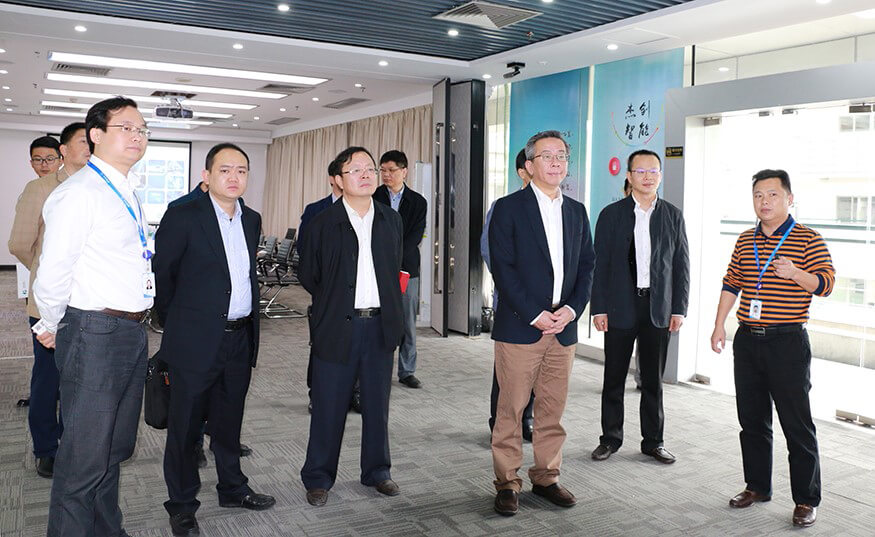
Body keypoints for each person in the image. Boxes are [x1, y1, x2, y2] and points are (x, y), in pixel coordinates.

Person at [33, 97, 151, 537]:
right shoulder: (79, 193)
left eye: (142, 129)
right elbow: (53, 269)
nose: (137, 136)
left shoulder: (126, 188)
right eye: (126, 127)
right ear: (95, 135)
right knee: (84, 456)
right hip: (95, 332)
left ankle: (106, 529)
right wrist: (51, 323)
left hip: (130, 329)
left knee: (113, 448)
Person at [154, 143, 274, 536]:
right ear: (206, 176)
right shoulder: (183, 216)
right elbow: (164, 276)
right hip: (194, 341)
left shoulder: (251, 219)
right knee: (185, 427)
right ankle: (182, 505)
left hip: (240, 338)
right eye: (225, 170)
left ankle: (232, 488)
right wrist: (179, 326)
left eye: (241, 170)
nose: (234, 177)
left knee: (229, 420)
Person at [711, 169, 835, 528]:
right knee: (751, 419)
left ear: (789, 199)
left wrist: (795, 273)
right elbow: (731, 283)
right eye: (758, 195)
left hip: (787, 342)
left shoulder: (808, 239)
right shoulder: (745, 239)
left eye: (772, 195)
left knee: (796, 423)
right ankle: (757, 486)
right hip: (748, 339)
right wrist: (719, 325)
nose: (764, 202)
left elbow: (826, 285)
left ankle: (806, 499)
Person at [488, 130, 595, 516]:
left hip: (563, 327)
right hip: (522, 326)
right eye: (547, 156)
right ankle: (507, 482)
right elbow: (503, 268)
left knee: (552, 408)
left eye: (562, 156)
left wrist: (571, 310)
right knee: (512, 409)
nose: (556, 162)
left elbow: (587, 266)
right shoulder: (508, 208)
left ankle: (547, 476)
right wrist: (535, 314)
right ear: (529, 165)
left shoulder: (576, 211)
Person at [299, 147, 404, 507]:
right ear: (339, 180)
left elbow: (393, 270)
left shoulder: (391, 220)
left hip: (379, 326)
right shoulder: (322, 222)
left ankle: (377, 471)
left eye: (370, 169)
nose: (365, 175)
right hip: (336, 326)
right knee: (329, 406)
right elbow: (309, 275)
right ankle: (318, 477)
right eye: (355, 169)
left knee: (377, 405)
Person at [590, 149, 689, 464]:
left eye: (653, 171)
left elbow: (681, 265)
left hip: (657, 308)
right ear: (629, 176)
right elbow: (599, 265)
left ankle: (653, 441)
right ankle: (610, 439)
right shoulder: (611, 214)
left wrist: (679, 308)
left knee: (653, 382)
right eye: (641, 171)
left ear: (660, 175)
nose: (648, 177)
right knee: (614, 378)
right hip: (620, 305)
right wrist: (598, 308)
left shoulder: (672, 215)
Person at [8, 122, 89, 478]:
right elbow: (19, 244)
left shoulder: (96, 186)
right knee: (48, 377)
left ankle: (74, 442)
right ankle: (46, 448)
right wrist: (46, 273)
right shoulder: (40, 188)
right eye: (84, 141)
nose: (91, 147)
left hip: (89, 302)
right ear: (65, 150)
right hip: (49, 303)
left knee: (81, 378)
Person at [482, 149, 535, 441]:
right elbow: (489, 251)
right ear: (522, 171)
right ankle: (499, 422)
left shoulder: (557, 207)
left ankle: (527, 419)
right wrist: (514, 284)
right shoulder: (504, 207)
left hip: (545, 305)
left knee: (537, 368)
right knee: (507, 369)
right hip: (511, 301)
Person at [299, 160, 356, 413]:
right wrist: (322, 290)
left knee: (356, 346)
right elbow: (305, 253)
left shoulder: (366, 209)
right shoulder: (316, 210)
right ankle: (317, 394)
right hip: (326, 295)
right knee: (322, 346)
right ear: (335, 179)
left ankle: (354, 393)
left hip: (358, 296)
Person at [374, 150, 428, 389]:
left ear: (404, 171)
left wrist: (393, 258)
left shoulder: (418, 201)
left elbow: (414, 237)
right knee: (378, 321)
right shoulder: (374, 196)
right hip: (377, 268)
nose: (386, 175)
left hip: (407, 269)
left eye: (391, 170)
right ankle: (378, 368)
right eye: (383, 170)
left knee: (407, 322)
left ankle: (407, 371)